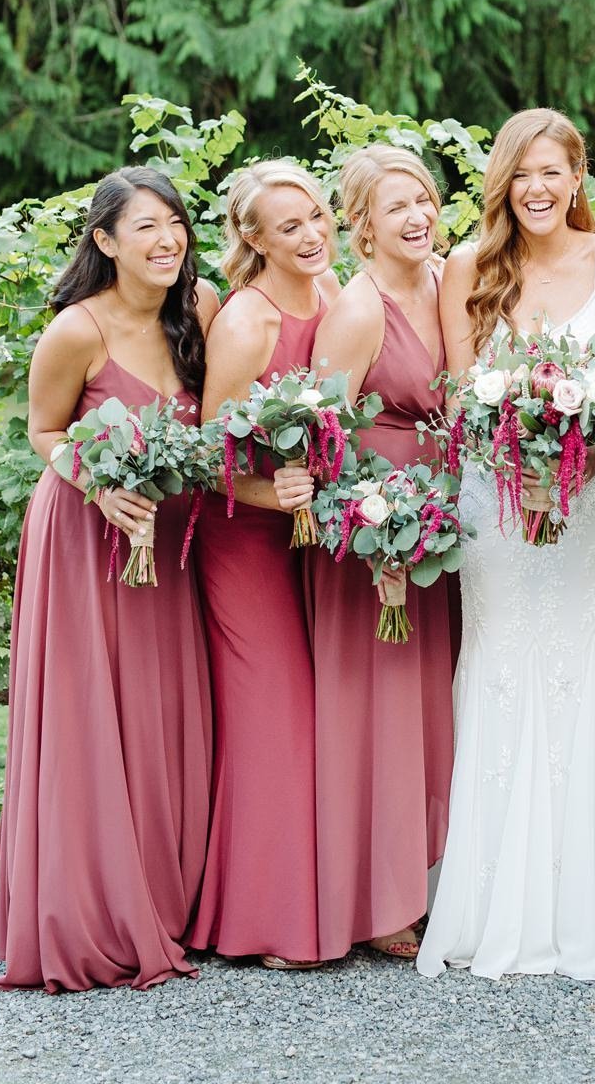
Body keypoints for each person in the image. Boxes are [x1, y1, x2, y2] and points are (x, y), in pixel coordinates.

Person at [417, 108, 595, 981]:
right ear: (503, 183)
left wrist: (575, 472)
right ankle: (486, 901)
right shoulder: (470, 266)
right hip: (498, 507)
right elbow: (459, 395)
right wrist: (521, 466)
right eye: (522, 174)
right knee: (505, 666)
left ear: (578, 178)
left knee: (589, 666)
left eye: (552, 172)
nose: (537, 189)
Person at [0, 168, 217, 992]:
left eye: (175, 224)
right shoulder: (77, 330)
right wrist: (99, 484)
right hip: (88, 534)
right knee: (89, 712)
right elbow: (45, 432)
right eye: (145, 227)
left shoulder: (203, 310)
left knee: (157, 709)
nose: (166, 240)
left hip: (167, 543)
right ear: (106, 242)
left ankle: (160, 895)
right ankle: (84, 905)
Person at [281, 144, 455, 960]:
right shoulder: (359, 309)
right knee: (377, 706)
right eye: (397, 207)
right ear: (363, 227)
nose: (418, 215)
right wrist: (373, 529)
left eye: (423, 198)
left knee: (429, 701)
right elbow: (326, 439)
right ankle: (379, 897)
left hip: (441, 523)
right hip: (374, 532)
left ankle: (426, 874)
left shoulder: (445, 279)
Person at [188, 161, 339, 969]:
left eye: (315, 215)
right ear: (252, 238)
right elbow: (206, 455)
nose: (313, 234)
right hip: (244, 537)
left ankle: (318, 900)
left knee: (320, 708)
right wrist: (276, 497)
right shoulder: (249, 319)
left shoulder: (331, 291)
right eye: (290, 227)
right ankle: (265, 923)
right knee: (275, 712)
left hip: (311, 534)